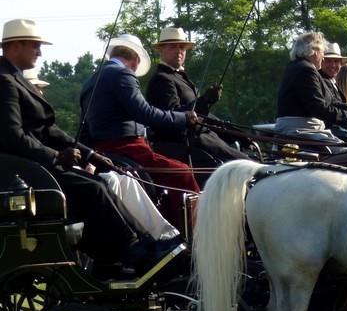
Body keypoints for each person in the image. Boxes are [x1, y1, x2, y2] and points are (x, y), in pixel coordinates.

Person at [0, 19, 179, 273]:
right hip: (23, 175)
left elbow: (50, 130)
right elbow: (12, 136)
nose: (39, 52)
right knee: (93, 190)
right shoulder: (5, 81)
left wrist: (91, 154)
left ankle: (135, 247)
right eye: (35, 46)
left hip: (34, 167)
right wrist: (57, 156)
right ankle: (126, 253)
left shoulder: (15, 78)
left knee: (102, 183)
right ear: (15, 46)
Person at [80, 33, 201, 228]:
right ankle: (195, 235)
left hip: (101, 149)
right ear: (136, 60)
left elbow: (85, 125)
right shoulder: (123, 74)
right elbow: (144, 113)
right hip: (126, 146)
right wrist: (184, 118)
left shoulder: (91, 81)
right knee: (182, 172)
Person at [145, 26, 248, 166]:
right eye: (173, 47)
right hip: (186, 142)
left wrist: (234, 132)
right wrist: (205, 100)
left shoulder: (180, 77)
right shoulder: (161, 79)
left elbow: (204, 116)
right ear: (161, 49)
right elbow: (173, 116)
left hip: (205, 137)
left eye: (182, 47)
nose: (179, 51)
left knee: (248, 157)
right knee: (247, 164)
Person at [275, 32, 347, 143]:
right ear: (314, 51)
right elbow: (319, 108)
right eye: (322, 52)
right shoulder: (306, 70)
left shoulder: (295, 66)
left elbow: (329, 102)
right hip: (301, 130)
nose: (323, 56)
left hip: (303, 129)